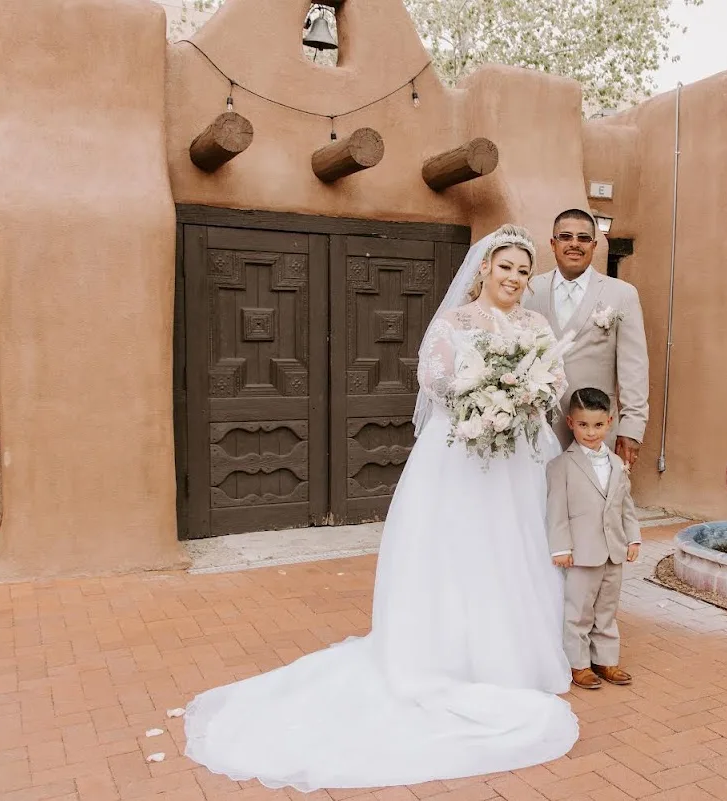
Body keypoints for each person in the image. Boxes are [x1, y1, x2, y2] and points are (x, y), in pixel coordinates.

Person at [181, 225, 579, 792]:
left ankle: (512, 657)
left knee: (511, 547)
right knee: (456, 547)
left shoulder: (536, 325)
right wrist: (486, 390)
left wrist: (523, 394)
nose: (513, 279)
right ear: (484, 269)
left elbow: (553, 382)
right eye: (505, 267)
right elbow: (433, 380)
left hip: (515, 459)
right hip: (460, 454)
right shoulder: (455, 323)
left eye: (522, 270)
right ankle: (446, 653)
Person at [523, 209, 649, 470]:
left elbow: (634, 368)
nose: (574, 244)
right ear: (553, 243)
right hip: (537, 426)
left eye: (583, 238)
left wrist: (632, 428)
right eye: (566, 236)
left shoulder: (621, 294)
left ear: (593, 245)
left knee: (593, 505)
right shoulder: (530, 290)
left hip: (595, 429)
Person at [546, 388, 642, 690]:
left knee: (607, 609)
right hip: (581, 553)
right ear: (571, 423)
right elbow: (556, 512)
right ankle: (579, 664)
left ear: (609, 422)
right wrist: (561, 547)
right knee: (579, 611)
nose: (591, 432)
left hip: (613, 551)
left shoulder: (616, 463)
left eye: (598, 425)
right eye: (584, 425)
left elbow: (626, 505)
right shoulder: (561, 466)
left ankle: (606, 660)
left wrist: (633, 539)